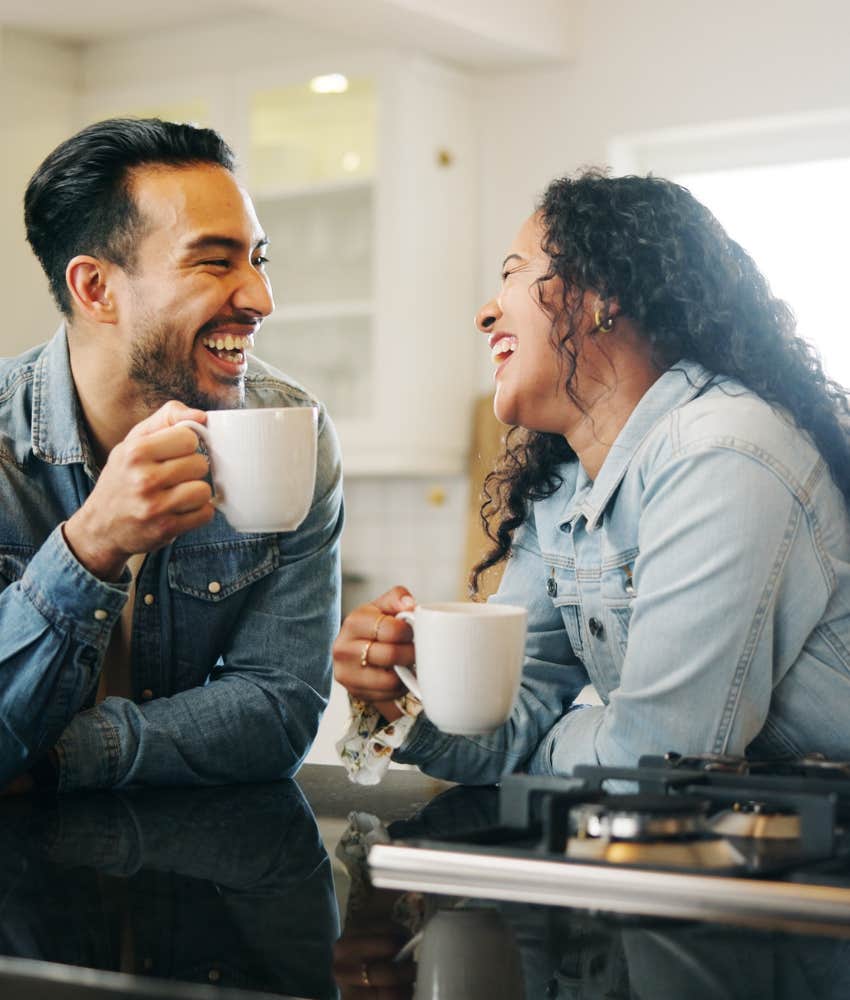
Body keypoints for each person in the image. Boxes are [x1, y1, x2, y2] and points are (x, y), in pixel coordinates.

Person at [333, 168, 850, 785]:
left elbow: (654, 767)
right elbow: (506, 724)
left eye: (514, 270)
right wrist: (403, 700)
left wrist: (547, 749)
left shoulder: (721, 453)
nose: (485, 313)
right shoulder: (562, 489)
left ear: (603, 292)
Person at [0, 118, 343, 792]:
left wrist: (56, 759)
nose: (260, 299)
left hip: (200, 880)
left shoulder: (291, 429)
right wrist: (92, 544)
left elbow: (279, 710)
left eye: (258, 259)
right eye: (216, 260)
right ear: (96, 288)